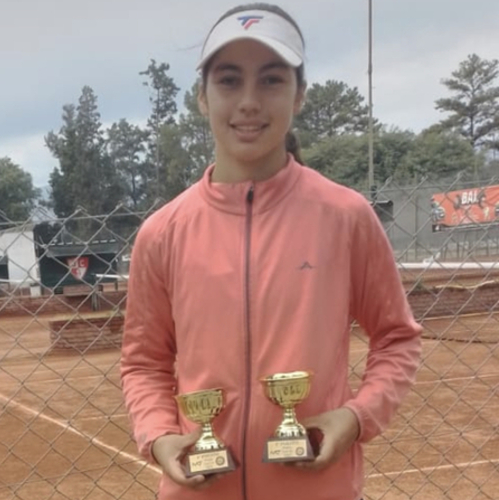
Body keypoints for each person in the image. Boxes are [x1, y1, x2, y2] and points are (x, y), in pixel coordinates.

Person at [119, 3, 423, 500]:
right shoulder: (162, 233)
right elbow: (145, 362)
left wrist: (357, 415)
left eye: (272, 80)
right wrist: (159, 436)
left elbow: (396, 338)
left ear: (299, 94)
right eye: (229, 81)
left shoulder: (344, 216)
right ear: (202, 97)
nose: (249, 102)